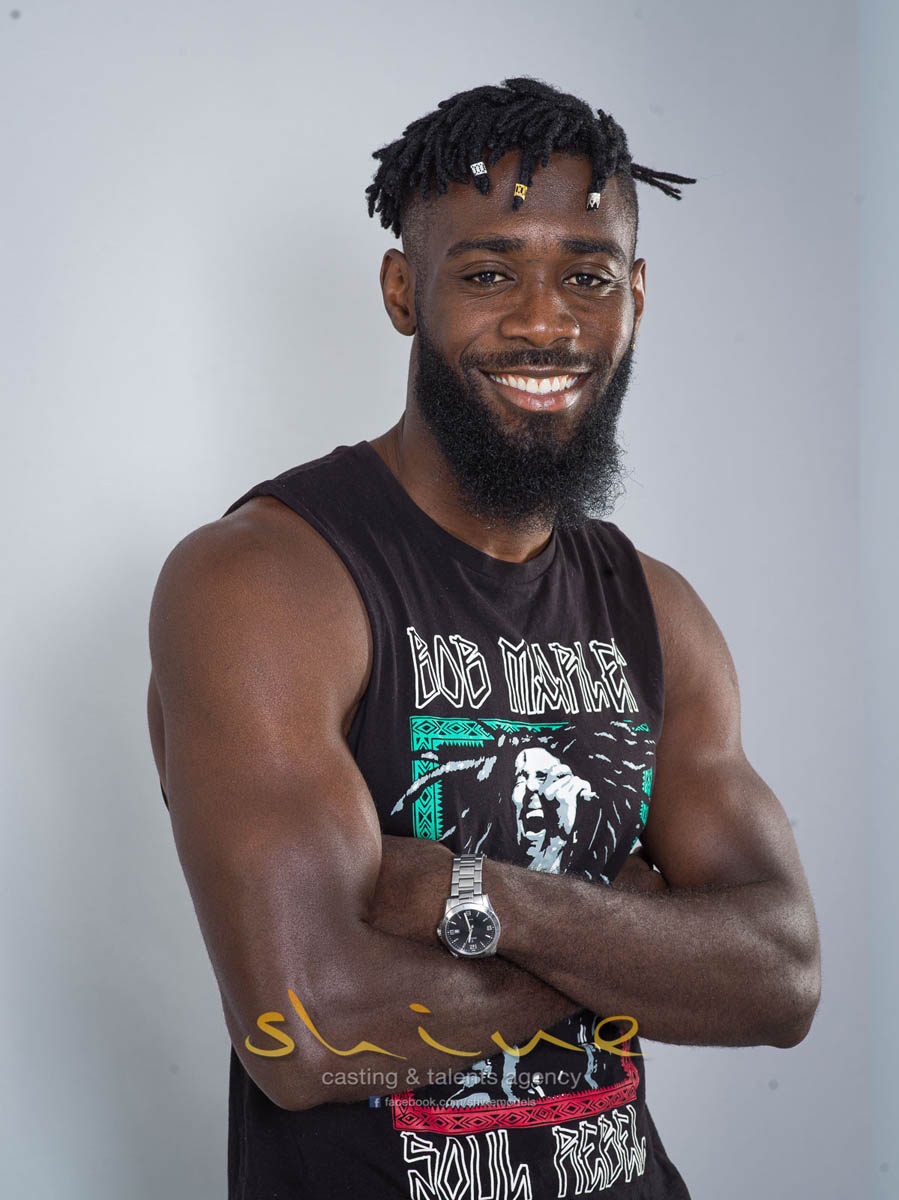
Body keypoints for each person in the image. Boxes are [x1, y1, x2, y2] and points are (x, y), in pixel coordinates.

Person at [146, 77, 821, 1199]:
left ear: (635, 296)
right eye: (488, 273)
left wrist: (475, 899)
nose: (544, 323)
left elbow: (779, 980)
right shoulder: (268, 582)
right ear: (402, 291)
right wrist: (637, 938)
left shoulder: (657, 611)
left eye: (586, 277)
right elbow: (306, 1038)